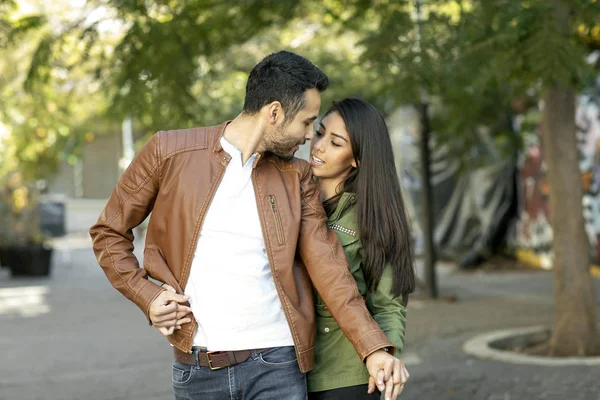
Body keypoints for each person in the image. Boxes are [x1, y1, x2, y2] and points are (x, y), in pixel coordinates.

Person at [89, 51, 407, 400]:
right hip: (198, 369)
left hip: (278, 366)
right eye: (307, 123)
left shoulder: (295, 176)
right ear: (274, 113)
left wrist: (372, 346)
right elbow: (108, 232)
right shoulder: (168, 152)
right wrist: (146, 295)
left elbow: (329, 268)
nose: (308, 139)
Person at [306, 98, 416, 400]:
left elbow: (389, 304)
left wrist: (384, 356)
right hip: (284, 370)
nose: (319, 146)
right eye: (319, 132)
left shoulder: (372, 218)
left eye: (336, 142)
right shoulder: (290, 197)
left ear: (357, 158)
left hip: (345, 376)